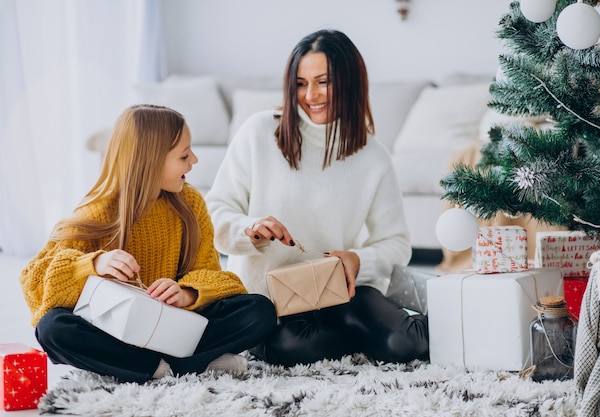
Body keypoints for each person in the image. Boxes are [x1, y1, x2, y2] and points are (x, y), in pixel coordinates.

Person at [205, 29, 429, 367]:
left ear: (350, 82)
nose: (311, 94)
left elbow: (396, 242)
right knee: (288, 349)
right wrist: (249, 228)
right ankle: (365, 340)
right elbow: (216, 212)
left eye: (324, 82)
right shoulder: (259, 132)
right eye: (300, 83)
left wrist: (358, 260)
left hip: (342, 293)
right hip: (274, 302)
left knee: (404, 343)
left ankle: (410, 327)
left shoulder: (373, 156)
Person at [19, 104, 277, 383]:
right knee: (52, 329)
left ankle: (148, 366)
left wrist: (186, 293)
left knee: (259, 310)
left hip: (177, 328)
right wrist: (92, 264)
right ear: (151, 160)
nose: (194, 160)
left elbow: (213, 274)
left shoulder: (190, 204)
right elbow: (34, 281)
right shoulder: (97, 212)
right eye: (184, 154)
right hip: (118, 336)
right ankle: (173, 366)